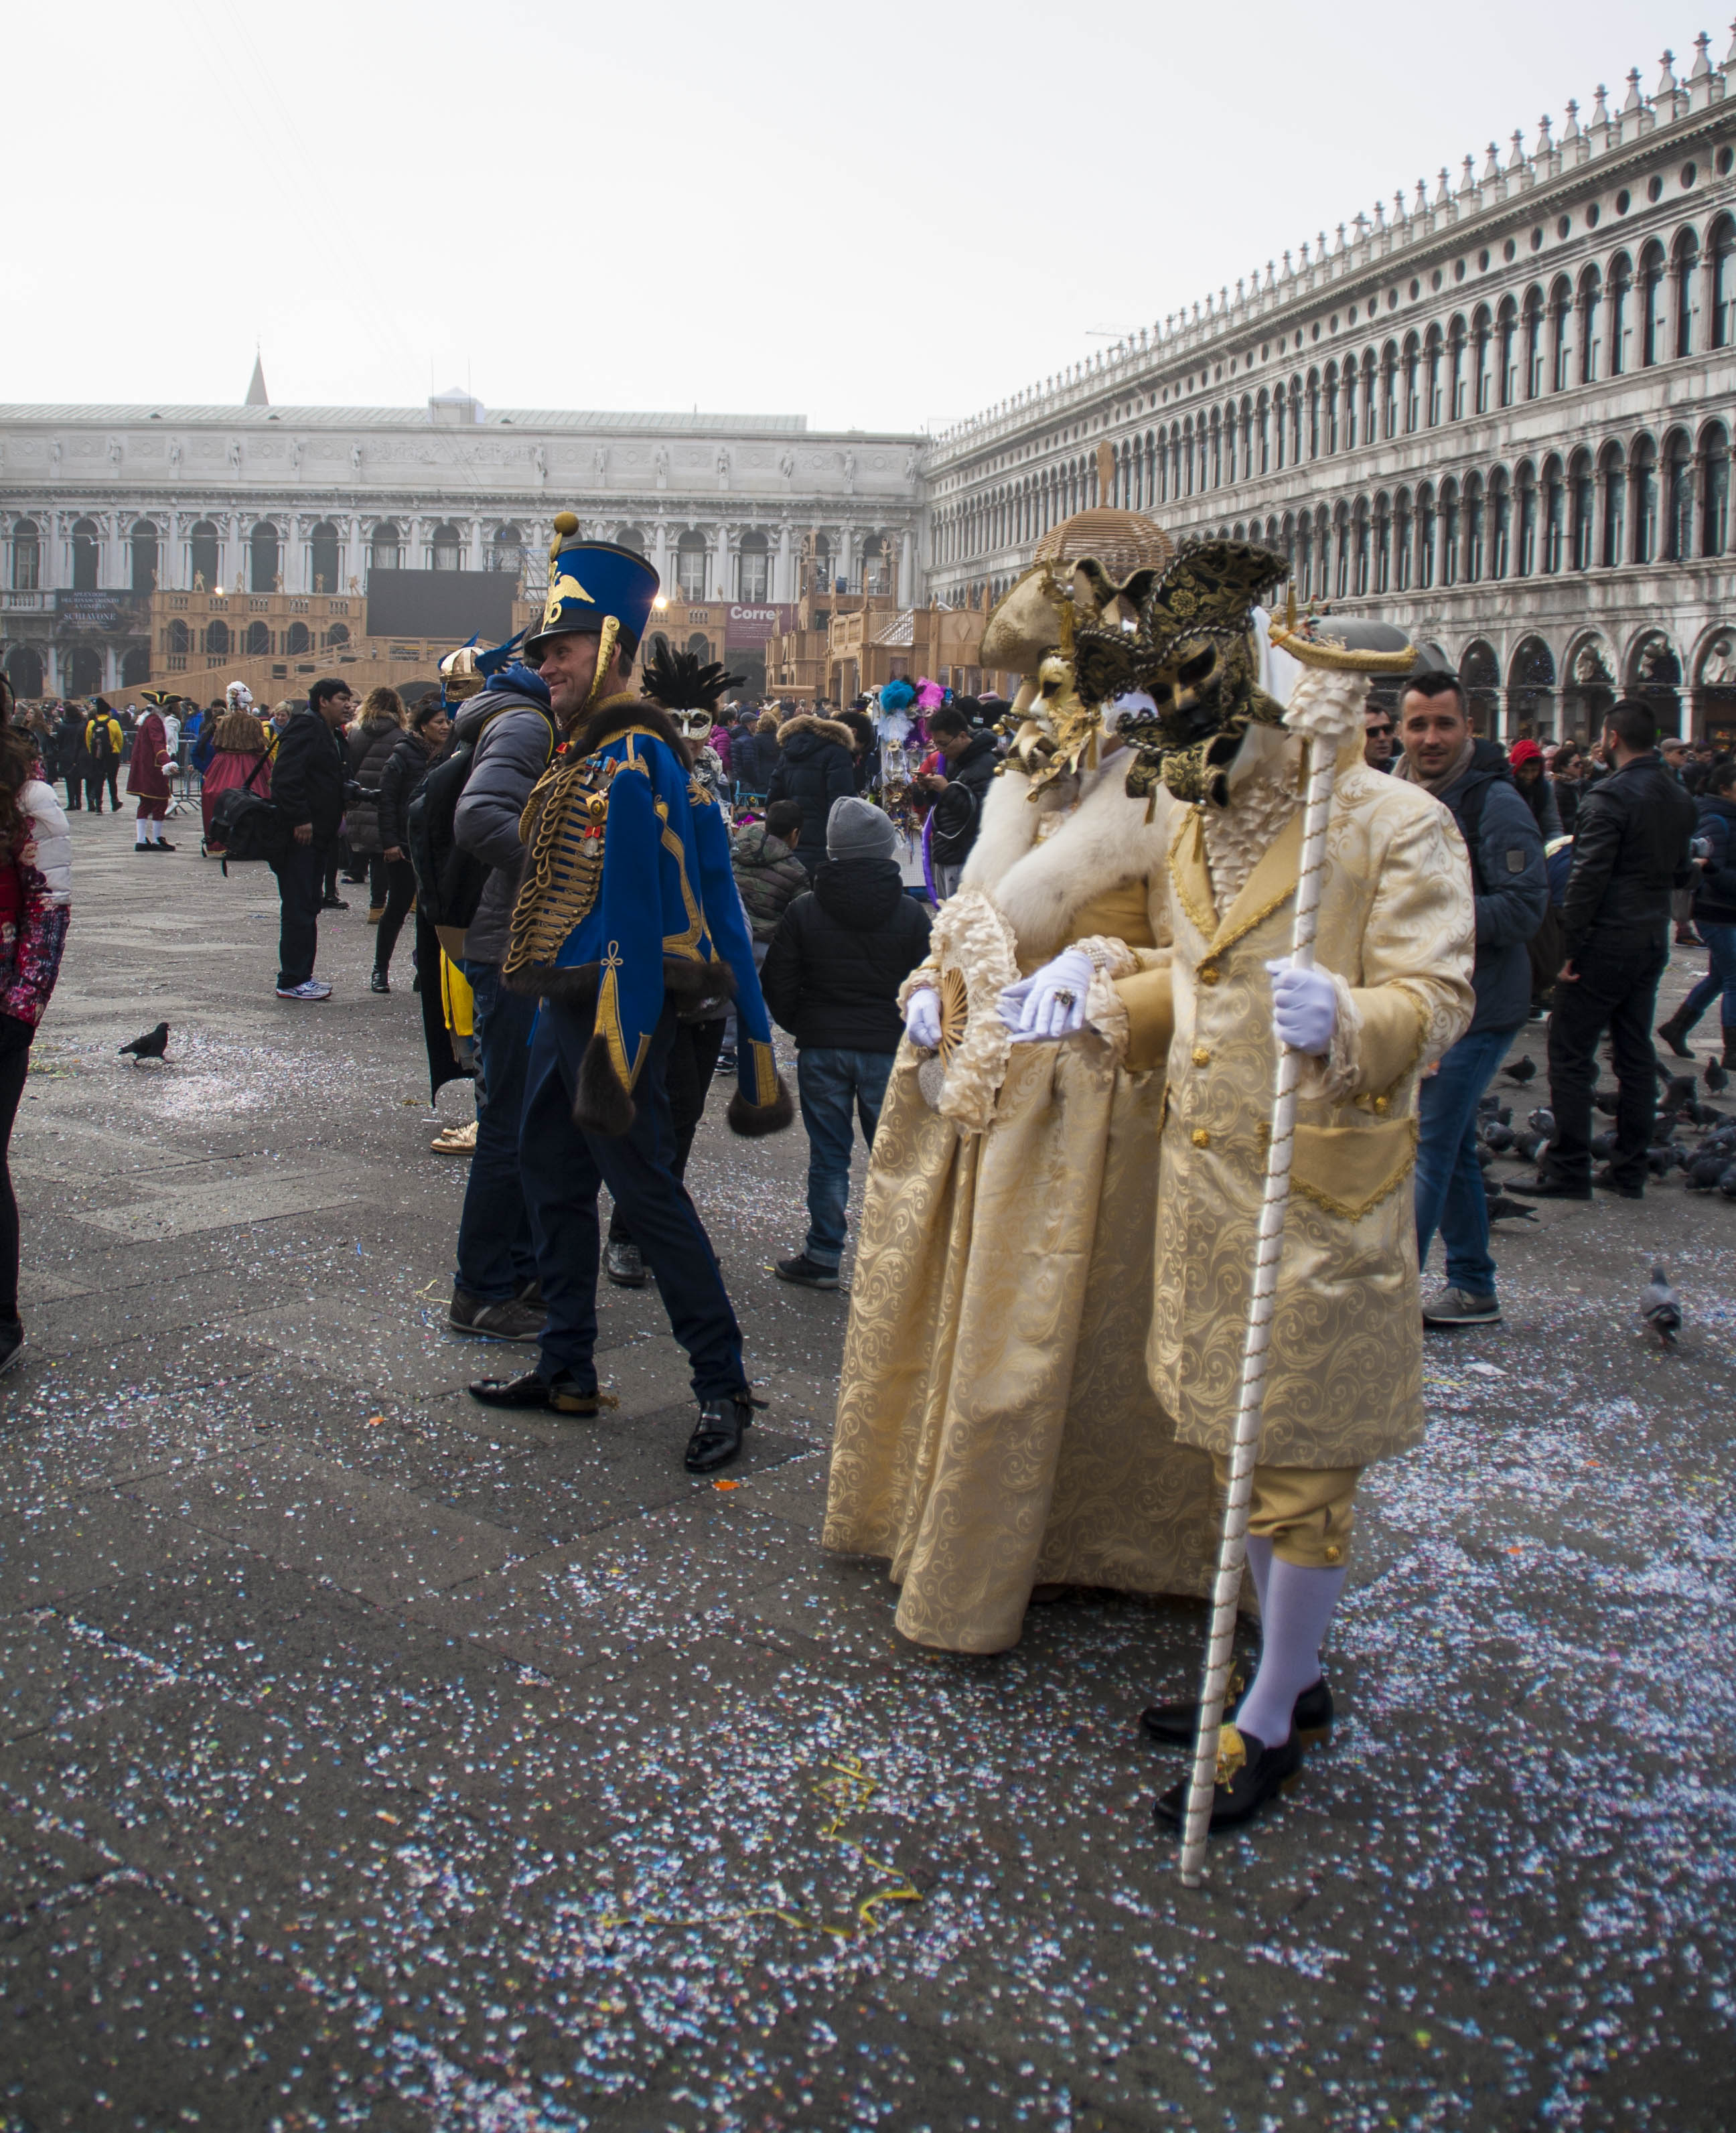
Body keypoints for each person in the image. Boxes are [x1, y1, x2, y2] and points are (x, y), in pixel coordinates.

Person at [826, 505, 1222, 1656]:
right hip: (989, 1094)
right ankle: (980, 1524)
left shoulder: (1178, 790)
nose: (1060, 698)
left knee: (1047, 1342)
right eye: (1055, 674)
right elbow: (978, 922)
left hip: (1104, 1115)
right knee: (985, 1331)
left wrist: (1106, 991)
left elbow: (1217, 959)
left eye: (1087, 671)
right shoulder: (1021, 788)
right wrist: (927, 980)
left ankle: (1069, 1540)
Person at [469, 518, 791, 1475]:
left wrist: (617, 1041)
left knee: (645, 1193)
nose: (548, 668)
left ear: (607, 647)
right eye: (544, 653)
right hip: (560, 1006)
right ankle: (566, 1363)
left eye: (559, 651)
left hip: (616, 1012)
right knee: (548, 1177)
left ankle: (722, 1382)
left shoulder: (636, 755)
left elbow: (652, 905)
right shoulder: (585, 750)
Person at [1392, 674, 1547, 1328]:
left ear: (1469, 728)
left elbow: (1524, 907)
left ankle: (1388, 1302)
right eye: (1418, 724)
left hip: (1481, 1003)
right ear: (1401, 729)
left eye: (1444, 724)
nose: (1431, 738)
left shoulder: (1496, 800)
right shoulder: (1399, 794)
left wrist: (1431, 912)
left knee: (1425, 1144)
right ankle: (1475, 1286)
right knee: (1448, 1148)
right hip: (1426, 1001)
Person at [1512, 701, 1697, 1202]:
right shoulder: (1679, 796)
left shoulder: (1608, 796)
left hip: (1604, 940)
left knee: (1571, 1052)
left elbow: (1587, 878)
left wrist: (1570, 948)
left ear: (1612, 738)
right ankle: (1630, 1168)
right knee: (1635, 1053)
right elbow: (1683, 872)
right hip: (1650, 936)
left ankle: (1570, 1167)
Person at [762, 797, 931, 1289]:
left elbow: (780, 979)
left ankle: (823, 1252)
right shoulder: (909, 914)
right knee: (894, 1154)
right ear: (884, 851)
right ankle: (898, 1258)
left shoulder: (805, 909)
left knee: (829, 1155)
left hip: (824, 1045)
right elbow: (928, 982)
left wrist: (805, 1026)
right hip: (885, 1045)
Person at [443, 642, 562, 1342]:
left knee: (530, 1122)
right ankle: (482, 1289)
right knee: (511, 1124)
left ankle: (517, 1270)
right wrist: (568, 870)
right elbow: (480, 818)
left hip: (526, 943)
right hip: (516, 945)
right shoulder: (527, 722)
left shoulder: (534, 718)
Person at [0, 723, 72, 1376]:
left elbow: (48, 911)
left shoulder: (28, 800)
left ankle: (1, 1316)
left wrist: (21, 1010)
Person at [268, 678, 353, 1003]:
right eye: (342, 699)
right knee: (299, 905)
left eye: (350, 700)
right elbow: (286, 778)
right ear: (322, 701)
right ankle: (292, 978)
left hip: (321, 834)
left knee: (308, 904)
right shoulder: (306, 726)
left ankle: (302, 974)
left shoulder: (331, 733)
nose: (348, 705)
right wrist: (300, 818)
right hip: (300, 836)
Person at [717, 797, 808, 1080]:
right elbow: (800, 914)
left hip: (734, 934)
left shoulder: (738, 848)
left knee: (732, 990)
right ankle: (755, 1047)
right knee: (762, 998)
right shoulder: (796, 871)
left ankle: (725, 1050)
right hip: (765, 942)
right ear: (794, 834)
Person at [1657, 757, 1736, 1068]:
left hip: (1727, 911)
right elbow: (1711, 869)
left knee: (1720, 977)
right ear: (1726, 789)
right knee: (1734, 978)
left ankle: (1677, 1027)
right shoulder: (1717, 819)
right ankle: (1733, 1051)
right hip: (1715, 911)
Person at [372, 695, 447, 994]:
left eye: (446, 722)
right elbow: (387, 800)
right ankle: (381, 969)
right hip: (404, 844)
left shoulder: (452, 753)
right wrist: (390, 842)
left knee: (431, 914)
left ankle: (425, 969)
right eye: (438, 722)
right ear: (423, 726)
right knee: (397, 908)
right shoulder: (403, 754)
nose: (444, 727)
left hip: (435, 844)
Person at [920, 701, 999, 897]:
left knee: (958, 915)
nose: (940, 750)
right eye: (936, 744)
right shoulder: (955, 761)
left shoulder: (986, 765)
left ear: (962, 736)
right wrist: (928, 789)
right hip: (946, 849)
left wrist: (946, 790)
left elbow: (980, 815)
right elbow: (941, 807)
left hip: (963, 854)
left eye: (944, 744)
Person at [343, 686, 407, 924]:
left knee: (368, 851)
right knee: (383, 855)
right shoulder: (400, 734)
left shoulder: (355, 733)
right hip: (385, 799)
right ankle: (378, 906)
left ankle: (376, 905)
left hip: (360, 797)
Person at [768, 709, 857, 873]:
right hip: (826, 844)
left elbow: (773, 799)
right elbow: (841, 802)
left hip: (790, 841)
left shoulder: (787, 753)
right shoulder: (838, 752)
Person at [199, 685, 271, 857]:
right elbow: (260, 746)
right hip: (250, 762)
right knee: (259, 796)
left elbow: (216, 745)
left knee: (214, 794)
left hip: (223, 763)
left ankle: (219, 842)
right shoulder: (254, 722)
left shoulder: (223, 721)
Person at [126, 693, 175, 853]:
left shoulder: (146, 719)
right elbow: (158, 744)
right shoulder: (155, 721)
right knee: (160, 803)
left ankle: (141, 840)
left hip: (144, 766)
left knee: (145, 803)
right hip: (154, 768)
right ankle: (156, 839)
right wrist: (166, 762)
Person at [1506, 736, 1563, 838]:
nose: (1529, 776)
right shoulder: (1505, 788)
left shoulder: (1545, 789)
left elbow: (1552, 826)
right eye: (1524, 771)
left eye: (1534, 771)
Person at [729, 709, 781, 804]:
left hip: (759, 776)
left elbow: (749, 762)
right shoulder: (779, 739)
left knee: (758, 803)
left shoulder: (754, 739)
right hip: (775, 774)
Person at [83, 703, 123, 813]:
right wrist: (117, 750)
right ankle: (114, 802)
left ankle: (98, 806)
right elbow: (120, 739)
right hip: (112, 755)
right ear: (108, 712)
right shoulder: (113, 723)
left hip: (97, 755)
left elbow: (88, 740)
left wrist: (93, 752)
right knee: (112, 780)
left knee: (99, 780)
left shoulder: (91, 723)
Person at [1362, 700, 1395, 769]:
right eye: (1372, 732)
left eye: (1387, 729)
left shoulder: (1405, 771)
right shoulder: (1342, 776)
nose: (1382, 738)